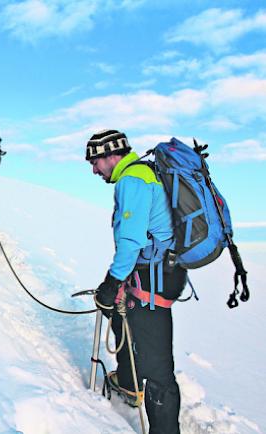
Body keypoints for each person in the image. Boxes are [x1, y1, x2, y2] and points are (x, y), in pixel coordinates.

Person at [87, 129, 187, 433]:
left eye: (95, 162)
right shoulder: (144, 173)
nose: (94, 169)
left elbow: (130, 240)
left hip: (152, 278)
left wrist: (112, 281)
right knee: (122, 317)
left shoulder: (133, 179)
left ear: (111, 155)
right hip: (156, 271)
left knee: (158, 371)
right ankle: (129, 384)